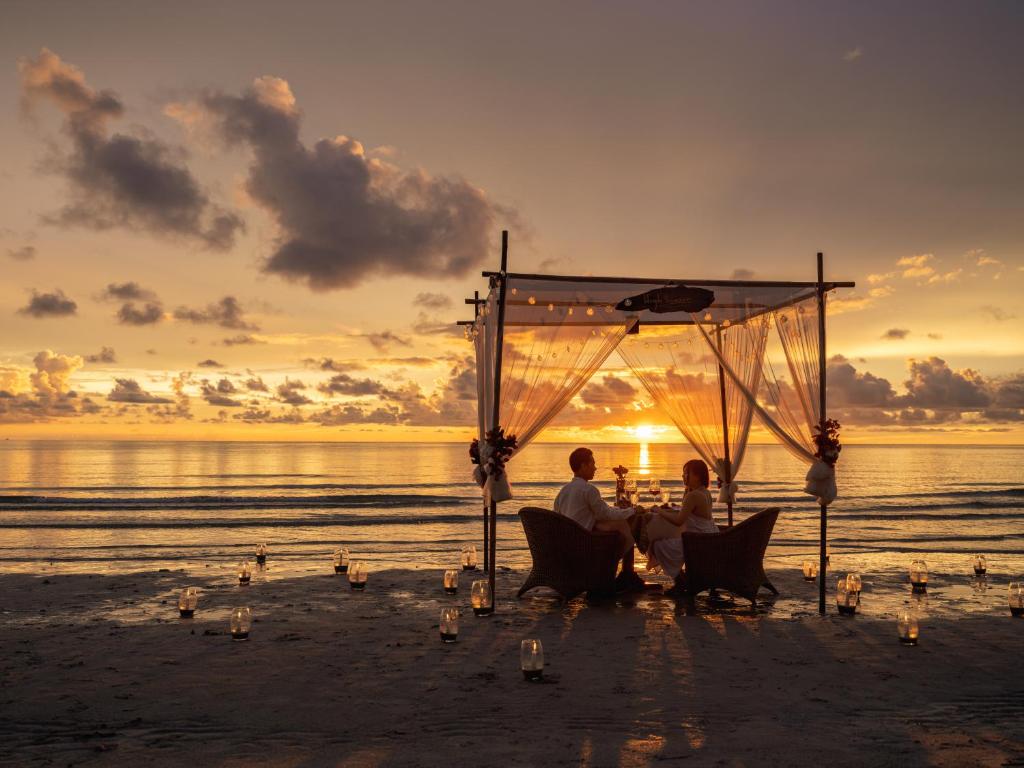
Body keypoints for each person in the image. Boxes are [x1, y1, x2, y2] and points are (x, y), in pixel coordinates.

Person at [553, 447, 645, 592]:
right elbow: (605, 514)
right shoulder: (589, 490)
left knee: (614, 524)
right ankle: (616, 568)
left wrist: (620, 511)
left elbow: (558, 516)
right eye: (593, 464)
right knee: (622, 526)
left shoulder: (564, 491)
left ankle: (620, 573)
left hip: (568, 543)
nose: (595, 468)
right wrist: (632, 510)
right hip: (586, 544)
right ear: (583, 466)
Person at [647, 458, 719, 597]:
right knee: (670, 539)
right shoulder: (704, 492)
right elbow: (690, 511)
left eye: (687, 473)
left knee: (657, 545)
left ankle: (680, 583)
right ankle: (682, 582)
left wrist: (659, 511)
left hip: (697, 543)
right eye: (683, 473)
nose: (683, 477)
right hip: (709, 538)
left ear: (697, 476)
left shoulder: (693, 495)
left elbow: (679, 521)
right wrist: (686, 492)